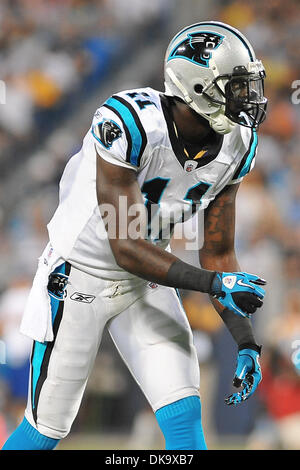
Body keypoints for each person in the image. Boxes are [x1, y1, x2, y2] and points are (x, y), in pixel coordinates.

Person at [2, 21, 268, 451]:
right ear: (198, 87)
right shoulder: (131, 123)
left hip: (146, 278)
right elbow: (123, 245)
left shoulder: (238, 144)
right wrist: (214, 285)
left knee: (184, 418)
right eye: (236, 86)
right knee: (43, 431)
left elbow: (218, 252)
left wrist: (245, 339)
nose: (248, 98)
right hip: (79, 277)